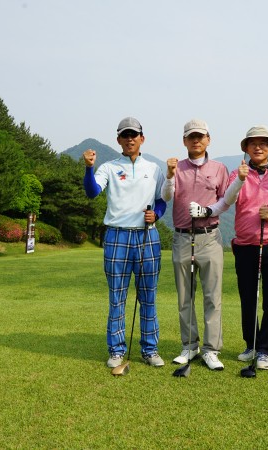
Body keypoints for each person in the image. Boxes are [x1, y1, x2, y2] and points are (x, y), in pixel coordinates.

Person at [83, 117, 167, 369]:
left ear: (142, 138)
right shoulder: (108, 167)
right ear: (118, 139)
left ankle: (150, 349)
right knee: (117, 297)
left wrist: (157, 214)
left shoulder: (154, 168)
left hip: (147, 235)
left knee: (148, 296)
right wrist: (88, 168)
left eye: (134, 135)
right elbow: (92, 191)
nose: (130, 139)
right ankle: (116, 350)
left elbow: (162, 200)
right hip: (116, 235)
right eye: (125, 135)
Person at [162, 119, 230, 371]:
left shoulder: (219, 168)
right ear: (184, 141)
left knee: (212, 296)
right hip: (182, 238)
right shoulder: (176, 167)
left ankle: (211, 350)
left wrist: (207, 211)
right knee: (185, 296)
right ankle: (189, 345)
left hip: (210, 237)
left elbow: (226, 200)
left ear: (208, 139)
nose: (196, 140)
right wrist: (170, 175)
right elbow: (166, 196)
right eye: (191, 136)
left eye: (200, 136)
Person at [224, 126, 268, 370]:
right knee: (248, 297)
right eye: (253, 143)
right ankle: (251, 344)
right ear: (246, 148)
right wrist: (241, 179)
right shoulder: (237, 173)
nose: (258, 147)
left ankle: (265, 350)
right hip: (245, 244)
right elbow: (229, 199)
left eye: (263, 143)